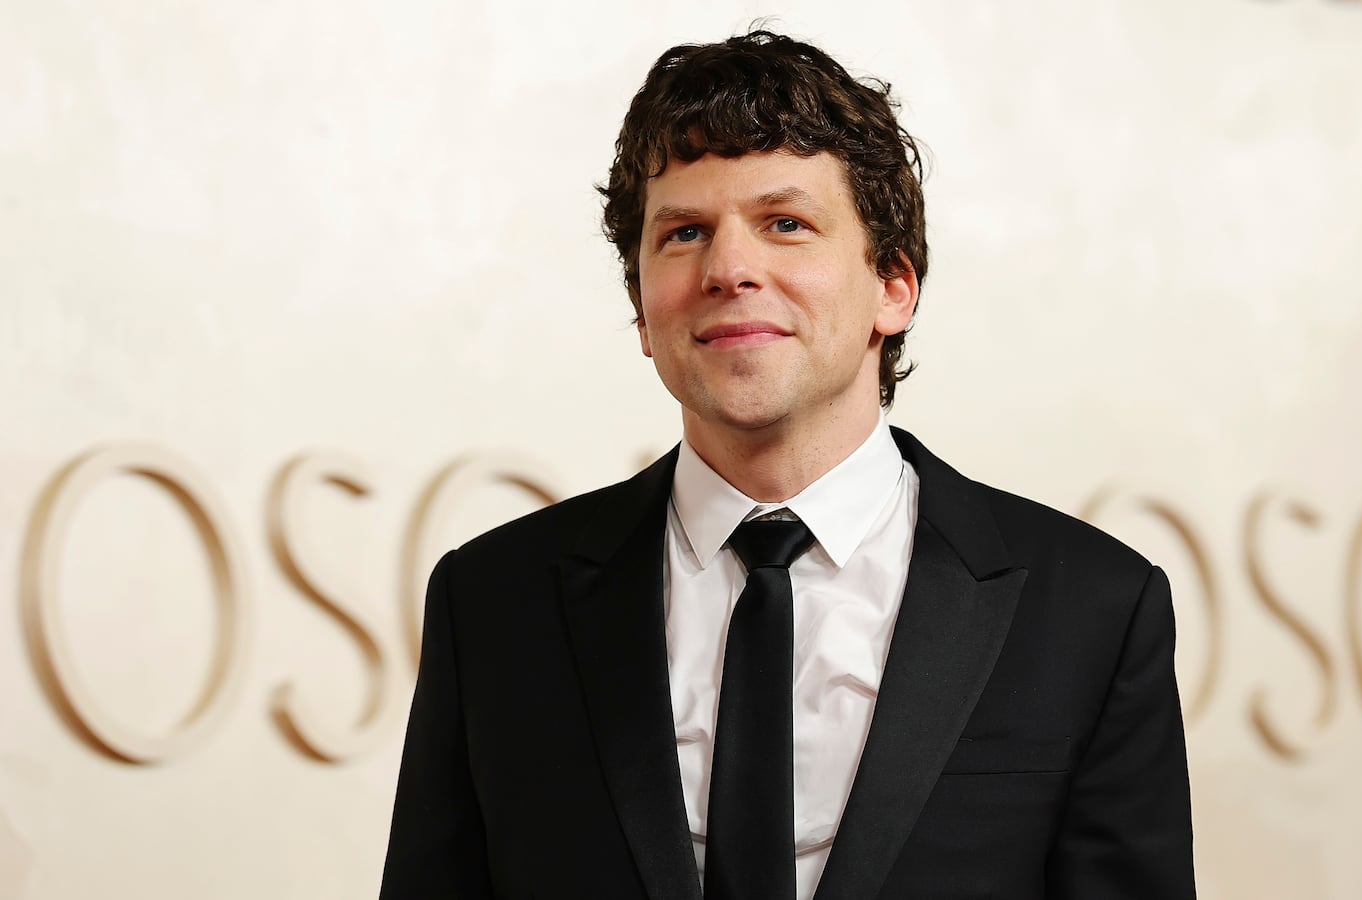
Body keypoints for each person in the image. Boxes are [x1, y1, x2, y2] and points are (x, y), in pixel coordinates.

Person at [380, 29, 1195, 900]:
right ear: (642, 312)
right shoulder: (493, 605)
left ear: (894, 286)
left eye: (786, 224)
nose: (729, 267)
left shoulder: (1092, 612)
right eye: (685, 232)